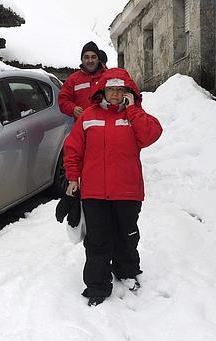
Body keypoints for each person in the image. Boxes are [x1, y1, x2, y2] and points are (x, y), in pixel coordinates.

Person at [63, 67, 162, 306]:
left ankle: (126, 272)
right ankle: (97, 285)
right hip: (95, 192)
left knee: (127, 236)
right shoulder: (88, 116)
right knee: (97, 239)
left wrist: (133, 110)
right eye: (111, 90)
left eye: (120, 90)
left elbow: (150, 135)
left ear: (128, 92)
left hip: (127, 190)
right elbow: (73, 149)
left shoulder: (135, 115)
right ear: (102, 91)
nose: (115, 95)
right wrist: (73, 178)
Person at [58, 41, 106, 119]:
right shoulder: (73, 80)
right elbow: (63, 100)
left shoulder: (107, 76)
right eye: (86, 57)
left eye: (93, 57)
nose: (90, 60)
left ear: (98, 59)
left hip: (105, 126)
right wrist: (73, 109)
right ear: (81, 59)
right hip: (82, 126)